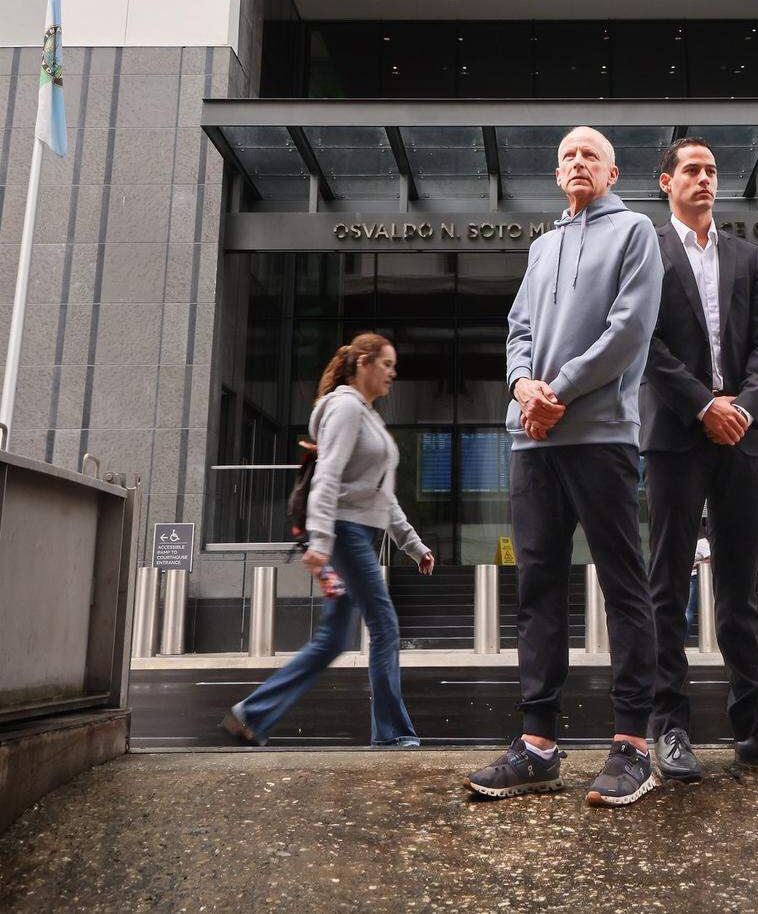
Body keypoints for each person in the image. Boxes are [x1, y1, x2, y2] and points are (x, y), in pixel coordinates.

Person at [466, 126, 663, 807]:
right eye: (568, 156)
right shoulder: (542, 246)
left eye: (590, 155)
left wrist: (560, 391)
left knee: (624, 585)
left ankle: (633, 745)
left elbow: (629, 329)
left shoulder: (636, 231)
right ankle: (538, 747)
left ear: (612, 172)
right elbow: (517, 330)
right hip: (533, 441)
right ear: (557, 175)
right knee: (538, 591)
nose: (578, 162)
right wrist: (524, 388)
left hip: (601, 436)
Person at [641, 138, 758, 783]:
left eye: (712, 171)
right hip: (676, 435)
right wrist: (703, 406)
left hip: (743, 437)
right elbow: (644, 342)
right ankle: (670, 728)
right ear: (666, 182)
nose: (705, 179)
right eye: (692, 170)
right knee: (667, 585)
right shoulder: (647, 253)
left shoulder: (749, 257)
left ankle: (753, 728)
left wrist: (740, 407)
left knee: (740, 588)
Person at [222, 332, 434, 749]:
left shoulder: (367, 416)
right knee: (385, 625)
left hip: (357, 531)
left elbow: (381, 495)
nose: (392, 373)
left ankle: (251, 714)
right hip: (344, 531)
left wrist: (413, 544)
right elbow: (327, 476)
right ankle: (392, 734)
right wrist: (320, 540)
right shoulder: (345, 408)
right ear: (363, 363)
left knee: (333, 640)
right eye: (386, 364)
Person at [686, 531, 711, 637]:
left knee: (688, 608)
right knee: (688, 607)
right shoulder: (690, 542)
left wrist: (695, 565)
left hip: (697, 578)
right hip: (688, 578)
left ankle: (683, 636)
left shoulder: (701, 542)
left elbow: (709, 558)